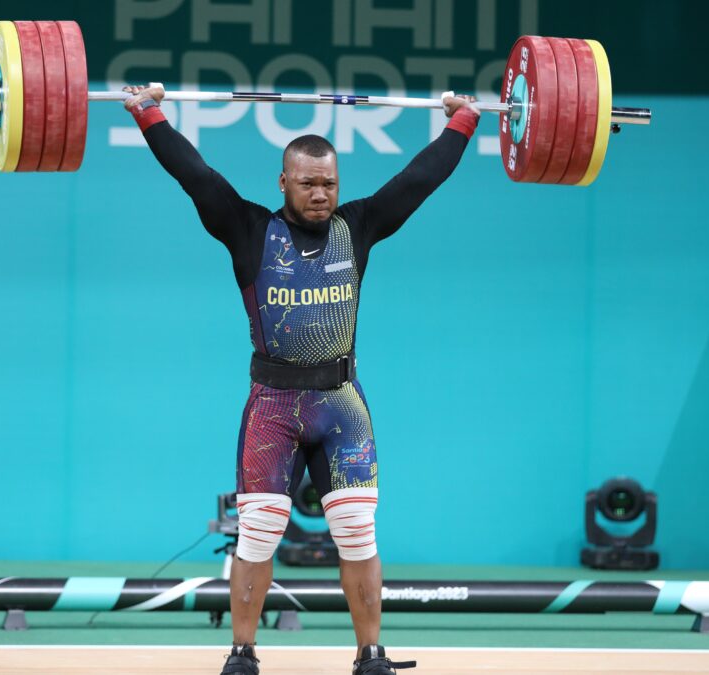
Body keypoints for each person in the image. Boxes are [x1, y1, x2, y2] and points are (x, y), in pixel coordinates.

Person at [123, 83, 479, 675]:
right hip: (273, 405)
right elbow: (194, 174)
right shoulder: (248, 230)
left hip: (342, 405)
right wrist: (147, 111)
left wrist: (463, 121)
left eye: (330, 183)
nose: (321, 194)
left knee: (357, 534)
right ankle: (242, 652)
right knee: (258, 534)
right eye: (308, 183)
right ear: (282, 182)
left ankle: (371, 654)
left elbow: (419, 180)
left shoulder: (357, 226)